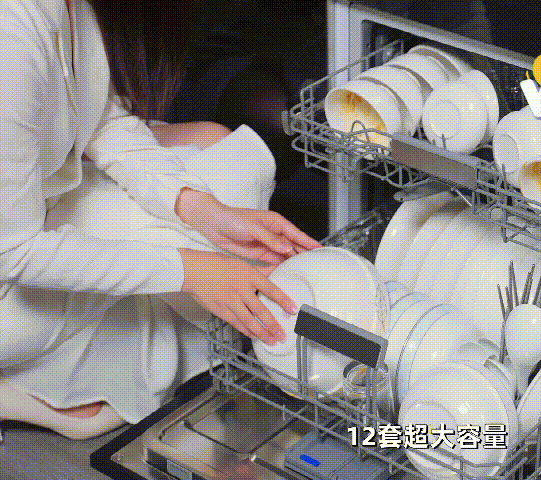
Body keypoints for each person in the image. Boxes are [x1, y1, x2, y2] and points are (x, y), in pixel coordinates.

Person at [0, 0, 321, 439]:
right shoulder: (10, 35)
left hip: (39, 212)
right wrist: (190, 270)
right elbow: (15, 252)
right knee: (198, 263)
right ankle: (40, 382)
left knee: (230, 168)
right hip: (11, 288)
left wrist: (204, 211)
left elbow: (103, 122)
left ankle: (84, 369)